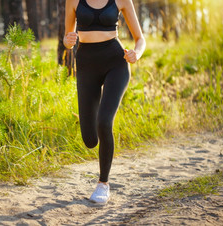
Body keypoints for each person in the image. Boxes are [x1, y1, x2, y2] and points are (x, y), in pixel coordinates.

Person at [63, 0, 146, 204]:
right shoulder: (73, 1)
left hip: (115, 63)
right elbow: (67, 37)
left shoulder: (121, 0)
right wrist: (68, 40)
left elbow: (140, 39)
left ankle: (103, 184)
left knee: (104, 121)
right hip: (86, 65)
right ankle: (101, 143)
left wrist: (137, 53)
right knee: (90, 139)